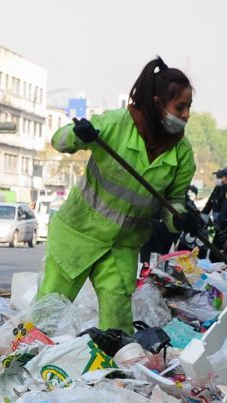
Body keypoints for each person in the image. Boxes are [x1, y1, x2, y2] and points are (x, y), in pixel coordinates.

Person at [35, 57, 197, 333]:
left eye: (188, 107)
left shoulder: (181, 153)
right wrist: (78, 134)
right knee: (48, 311)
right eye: (180, 107)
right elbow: (59, 140)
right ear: (158, 103)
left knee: (117, 324)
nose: (185, 115)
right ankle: (17, 360)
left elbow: (174, 204)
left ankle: (114, 374)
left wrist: (182, 219)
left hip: (122, 245)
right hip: (79, 234)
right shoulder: (115, 124)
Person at [201, 167, 227, 231]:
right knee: (205, 237)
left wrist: (217, 225)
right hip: (216, 222)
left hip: (226, 226)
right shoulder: (217, 188)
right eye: (217, 176)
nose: (217, 179)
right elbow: (208, 205)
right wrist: (201, 217)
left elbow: (225, 210)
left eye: (220, 177)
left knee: (214, 238)